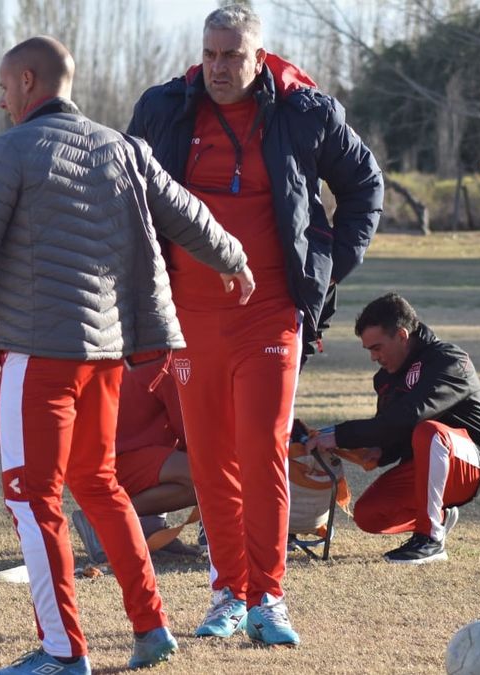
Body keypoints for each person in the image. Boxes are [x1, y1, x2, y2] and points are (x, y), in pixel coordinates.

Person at [0, 36, 255, 675]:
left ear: (29, 81)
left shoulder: (14, 150)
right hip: (105, 354)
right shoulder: (123, 149)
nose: (0, 99)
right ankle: (152, 627)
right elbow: (187, 212)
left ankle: (62, 652)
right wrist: (234, 257)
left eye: (3, 86)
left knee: (32, 499)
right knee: (98, 485)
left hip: (38, 353)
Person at [126, 4, 384, 647]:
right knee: (212, 457)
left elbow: (365, 187)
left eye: (232, 55)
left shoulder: (305, 109)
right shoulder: (164, 109)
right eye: (210, 54)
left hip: (270, 314)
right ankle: (227, 594)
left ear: (259, 55)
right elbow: (128, 197)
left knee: (263, 448)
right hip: (189, 318)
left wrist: (325, 270)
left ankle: (269, 598)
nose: (218, 67)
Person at [306, 293, 480, 565]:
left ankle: (430, 539)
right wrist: (376, 452)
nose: (374, 357)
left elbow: (411, 416)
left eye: (377, 347)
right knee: (369, 515)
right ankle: (438, 516)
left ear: (401, 335)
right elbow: (391, 432)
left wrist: (340, 433)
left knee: (430, 432)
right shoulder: (385, 378)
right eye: (369, 350)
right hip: (426, 463)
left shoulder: (448, 360)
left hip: (473, 463)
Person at [71, 366, 201, 564]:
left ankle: (147, 528)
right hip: (115, 461)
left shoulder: (147, 352)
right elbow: (189, 432)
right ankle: (102, 520)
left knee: (204, 475)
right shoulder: (165, 362)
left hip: (105, 460)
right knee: (208, 477)